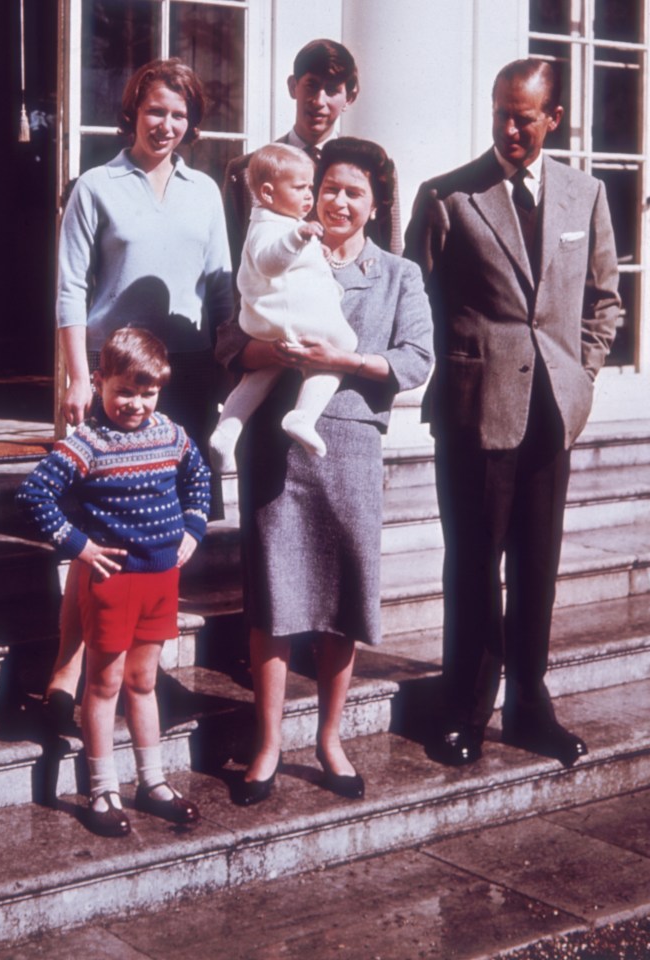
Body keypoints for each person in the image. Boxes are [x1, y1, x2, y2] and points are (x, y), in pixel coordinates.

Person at [403, 58, 620, 769]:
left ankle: (529, 704)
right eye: (500, 111)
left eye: (523, 116)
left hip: (552, 412)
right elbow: (417, 300)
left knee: (538, 567)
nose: (508, 127)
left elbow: (602, 300)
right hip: (474, 414)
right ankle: (463, 709)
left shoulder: (585, 195)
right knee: (473, 563)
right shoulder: (449, 196)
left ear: (553, 118)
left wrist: (581, 376)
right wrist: (459, 365)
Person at [216, 137, 433, 805]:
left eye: (353, 192)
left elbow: (416, 360)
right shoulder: (278, 251)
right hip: (276, 449)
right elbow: (228, 342)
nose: (337, 201)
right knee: (274, 599)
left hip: (348, 442)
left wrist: (347, 362)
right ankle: (267, 743)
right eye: (329, 187)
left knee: (343, 597)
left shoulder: (398, 274)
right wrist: (271, 350)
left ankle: (330, 738)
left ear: (373, 204)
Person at [45, 58, 232, 724]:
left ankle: (137, 666)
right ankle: (70, 665)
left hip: (183, 376)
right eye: (156, 110)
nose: (167, 124)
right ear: (133, 110)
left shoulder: (205, 192)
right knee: (98, 530)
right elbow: (69, 286)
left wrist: (240, 353)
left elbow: (220, 284)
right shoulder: (97, 186)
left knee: (157, 528)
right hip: (115, 374)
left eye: (180, 115)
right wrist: (78, 377)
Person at [16, 328, 211, 836]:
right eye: (125, 391)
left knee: (143, 682)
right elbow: (37, 494)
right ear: (98, 381)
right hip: (112, 582)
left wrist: (193, 525)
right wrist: (78, 545)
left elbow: (199, 477)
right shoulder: (87, 443)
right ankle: (101, 789)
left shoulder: (171, 434)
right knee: (102, 686)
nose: (137, 404)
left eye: (148, 393)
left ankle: (153, 783)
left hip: (161, 579)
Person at [209, 143, 355, 471]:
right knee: (344, 345)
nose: (309, 195)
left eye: (310, 187)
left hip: (275, 321)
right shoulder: (271, 226)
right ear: (268, 193)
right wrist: (299, 237)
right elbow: (269, 263)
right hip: (287, 317)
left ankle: (227, 431)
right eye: (300, 187)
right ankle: (303, 416)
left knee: (262, 374)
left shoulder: (278, 221)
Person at [222, 39, 401, 276]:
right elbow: (235, 267)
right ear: (293, 86)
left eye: (332, 90)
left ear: (350, 96)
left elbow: (391, 255)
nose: (319, 101)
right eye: (311, 85)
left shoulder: (372, 168)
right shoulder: (246, 172)